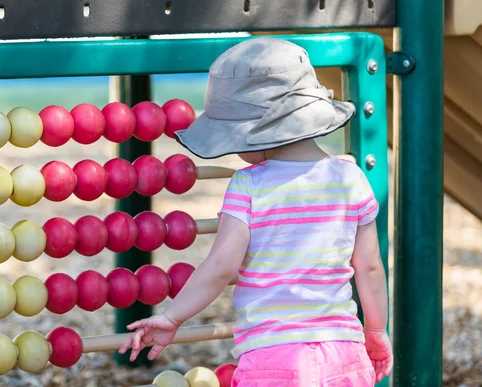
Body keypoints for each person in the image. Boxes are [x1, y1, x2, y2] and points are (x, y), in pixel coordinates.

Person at [119, 37, 393, 386]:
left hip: (273, 357)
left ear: (254, 135)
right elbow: (369, 266)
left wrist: (173, 318)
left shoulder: (248, 186)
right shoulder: (350, 178)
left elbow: (220, 267)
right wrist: (376, 329)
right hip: (344, 351)